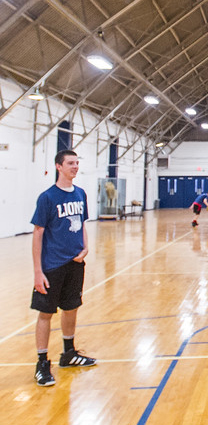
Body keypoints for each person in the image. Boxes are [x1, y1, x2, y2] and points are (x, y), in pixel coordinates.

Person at [31, 150, 97, 387]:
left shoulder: (80, 194)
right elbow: (38, 233)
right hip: (52, 265)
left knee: (71, 308)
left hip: (75, 263)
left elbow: (82, 224)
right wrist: (38, 271)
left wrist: (86, 247)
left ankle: (68, 354)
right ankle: (41, 362)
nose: (75, 167)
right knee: (46, 313)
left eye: (77, 163)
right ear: (59, 166)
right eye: (70, 163)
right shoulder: (47, 197)